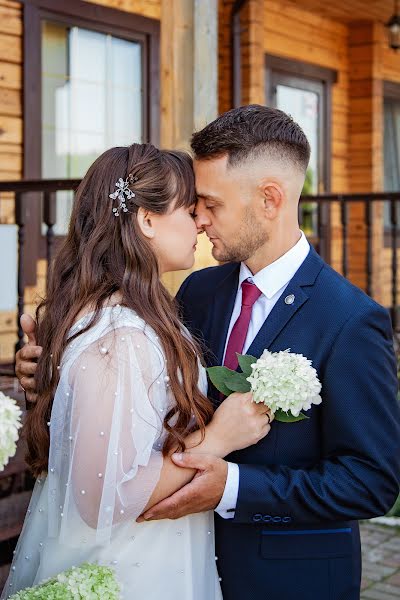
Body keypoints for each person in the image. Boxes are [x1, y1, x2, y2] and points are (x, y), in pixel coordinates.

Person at [3, 143, 273, 600]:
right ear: (146, 220)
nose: (200, 222)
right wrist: (219, 439)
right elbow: (102, 497)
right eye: (190, 210)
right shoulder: (122, 338)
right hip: (128, 571)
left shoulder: (120, 314)